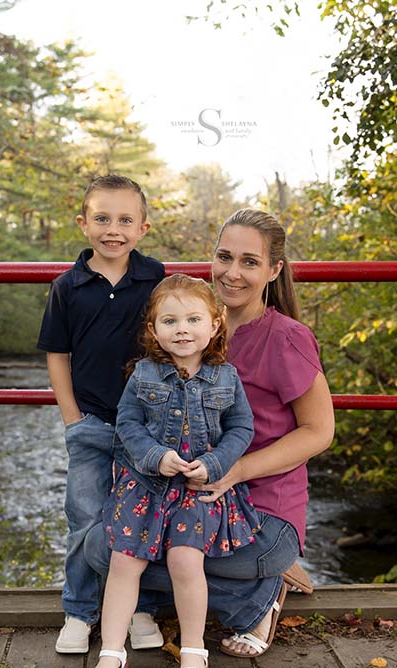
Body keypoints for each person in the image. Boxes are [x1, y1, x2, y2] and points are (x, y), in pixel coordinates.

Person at [85, 208, 335, 659]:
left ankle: (259, 596)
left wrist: (235, 471)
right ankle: (231, 590)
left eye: (250, 262)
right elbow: (136, 412)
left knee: (156, 559)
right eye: (225, 257)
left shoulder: (287, 337)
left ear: (274, 270)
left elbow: (319, 431)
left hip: (260, 508)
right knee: (104, 549)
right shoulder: (189, 326)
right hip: (183, 496)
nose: (233, 273)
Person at [94, 274, 260, 668]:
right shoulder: (145, 373)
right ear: (154, 329)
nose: (182, 329)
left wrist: (215, 463)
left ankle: (193, 649)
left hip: (196, 487)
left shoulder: (226, 377)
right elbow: (128, 424)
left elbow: (242, 428)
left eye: (193, 320)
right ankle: (112, 651)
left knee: (186, 561)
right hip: (146, 486)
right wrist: (154, 455)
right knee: (124, 562)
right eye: (170, 321)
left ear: (215, 323)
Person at [37, 174, 166, 654]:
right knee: (85, 518)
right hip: (90, 423)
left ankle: (140, 608)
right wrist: (72, 419)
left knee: (144, 517)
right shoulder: (67, 287)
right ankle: (79, 611)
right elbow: (57, 353)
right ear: (83, 224)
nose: (114, 229)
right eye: (103, 218)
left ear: (143, 228)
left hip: (148, 427)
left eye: (125, 220)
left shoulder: (155, 278)